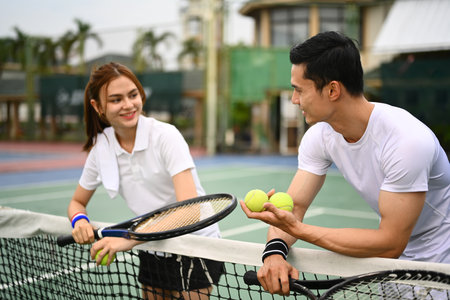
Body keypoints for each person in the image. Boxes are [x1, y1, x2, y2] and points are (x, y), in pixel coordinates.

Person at [240, 31, 450, 296]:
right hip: (394, 262)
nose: (294, 100)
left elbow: (390, 242)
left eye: (299, 90)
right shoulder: (319, 136)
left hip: (441, 257)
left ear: (332, 89)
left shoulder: (407, 141)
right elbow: (296, 207)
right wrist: (274, 253)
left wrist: (300, 230)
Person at [67, 62, 224, 300]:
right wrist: (79, 221)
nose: (128, 105)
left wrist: (130, 238)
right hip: (153, 246)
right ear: (97, 106)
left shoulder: (166, 136)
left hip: (195, 244)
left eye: (133, 95)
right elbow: (77, 202)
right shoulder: (101, 148)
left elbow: (190, 210)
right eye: (116, 99)